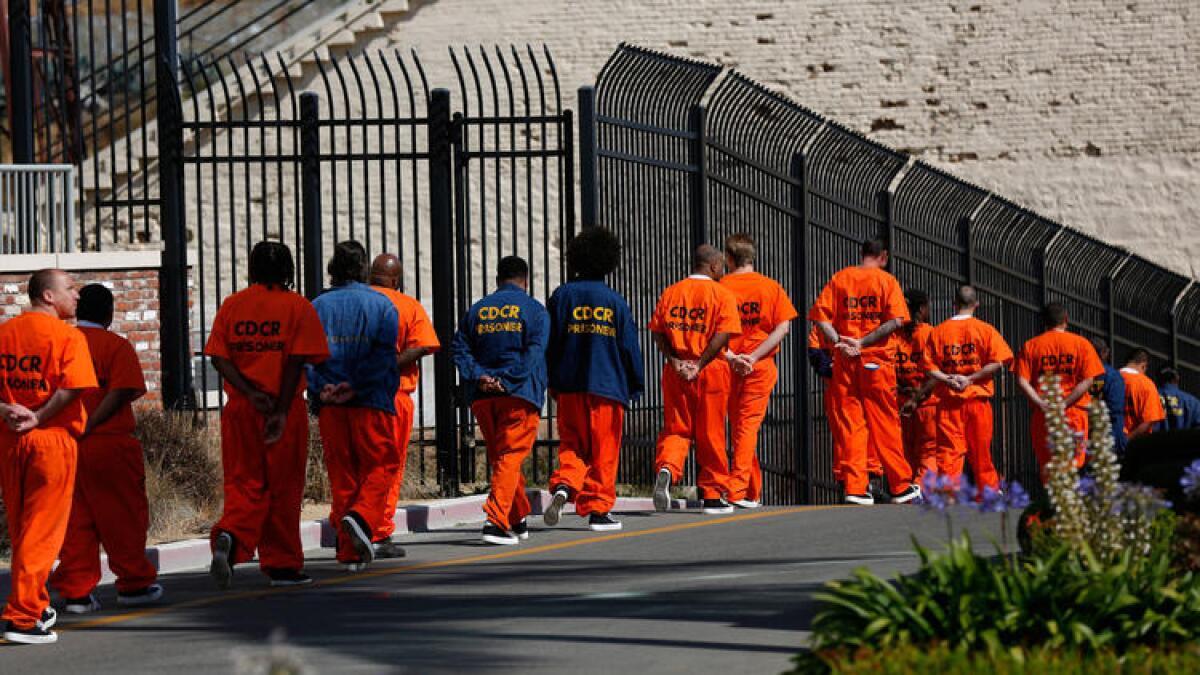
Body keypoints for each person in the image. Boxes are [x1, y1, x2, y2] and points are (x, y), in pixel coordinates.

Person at [205, 242, 330, 588]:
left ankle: (231, 533)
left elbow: (218, 357)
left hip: (242, 409)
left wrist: (249, 392)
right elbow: (296, 359)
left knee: (243, 482)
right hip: (283, 407)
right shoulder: (297, 306)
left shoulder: (234, 305)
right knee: (284, 487)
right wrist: (277, 405)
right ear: (289, 268)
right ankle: (282, 564)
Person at [50, 284, 161, 613]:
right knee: (123, 516)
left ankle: (77, 592)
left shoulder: (60, 343)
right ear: (109, 313)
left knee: (75, 521)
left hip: (65, 443)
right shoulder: (115, 346)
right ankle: (134, 584)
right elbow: (122, 390)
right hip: (108, 442)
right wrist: (92, 423)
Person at [0, 269, 96, 645]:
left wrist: (5, 408)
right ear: (48, 296)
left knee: (23, 528)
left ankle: (35, 604)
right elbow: (73, 387)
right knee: (42, 531)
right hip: (51, 440)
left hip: (10, 439)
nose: (77, 295)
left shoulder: (5, 333)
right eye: (70, 288)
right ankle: (22, 616)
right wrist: (38, 415)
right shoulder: (68, 336)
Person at [543, 228, 644, 531]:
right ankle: (599, 509)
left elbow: (551, 341)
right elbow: (628, 346)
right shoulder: (615, 301)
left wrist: (551, 378)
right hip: (608, 385)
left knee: (572, 444)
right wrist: (635, 383)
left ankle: (565, 484)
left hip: (570, 386)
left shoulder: (562, 296)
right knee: (604, 450)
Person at [308, 241, 401, 569]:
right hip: (370, 402)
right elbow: (383, 357)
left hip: (332, 404)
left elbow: (307, 358)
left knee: (343, 475)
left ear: (333, 268)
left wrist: (322, 391)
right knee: (381, 467)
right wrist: (356, 386)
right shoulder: (382, 305)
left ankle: (349, 551)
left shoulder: (317, 307)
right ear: (363, 268)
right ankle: (361, 519)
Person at [808, 238, 919, 505]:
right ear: (883, 256)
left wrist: (840, 342)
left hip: (845, 361)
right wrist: (862, 343)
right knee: (885, 423)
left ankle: (856, 487)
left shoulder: (841, 278)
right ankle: (900, 486)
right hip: (875, 361)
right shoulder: (886, 281)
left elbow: (820, 317)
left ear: (862, 253)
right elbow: (895, 321)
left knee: (851, 424)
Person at [452, 256, 549, 545]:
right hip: (518, 394)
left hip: (483, 398)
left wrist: (480, 376)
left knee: (502, 459)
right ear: (526, 280)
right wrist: (507, 380)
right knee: (509, 457)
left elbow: (460, 348)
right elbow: (534, 353)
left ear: (497, 279)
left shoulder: (477, 310)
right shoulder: (535, 311)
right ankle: (495, 522)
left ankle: (516, 516)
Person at [649, 245, 742, 514]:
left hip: (676, 370)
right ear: (712, 266)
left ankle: (667, 466)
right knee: (711, 431)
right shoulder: (721, 294)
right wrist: (699, 365)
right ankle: (713, 495)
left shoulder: (672, 292)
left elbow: (658, 331)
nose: (723, 270)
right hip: (710, 369)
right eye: (722, 266)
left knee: (677, 429)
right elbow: (723, 334)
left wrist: (675, 360)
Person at [368, 253, 439, 556]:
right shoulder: (407, 305)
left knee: (353, 467)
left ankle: (351, 522)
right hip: (393, 396)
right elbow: (425, 344)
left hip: (350, 395)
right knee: (388, 467)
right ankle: (379, 531)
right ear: (396, 280)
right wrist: (390, 363)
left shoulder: (356, 300)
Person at [719, 233, 797, 508]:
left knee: (739, 428)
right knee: (746, 427)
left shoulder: (721, 287)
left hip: (727, 364)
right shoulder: (770, 287)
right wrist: (752, 357)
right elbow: (783, 328)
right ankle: (748, 490)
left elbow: (711, 332)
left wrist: (732, 357)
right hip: (759, 365)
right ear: (752, 256)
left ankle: (740, 489)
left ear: (728, 258)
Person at [924, 286, 1012, 491]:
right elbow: (998, 361)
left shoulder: (938, 331)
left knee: (949, 452)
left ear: (954, 304)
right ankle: (988, 491)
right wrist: (970, 379)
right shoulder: (986, 330)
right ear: (976, 304)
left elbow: (928, 367)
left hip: (948, 402)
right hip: (977, 400)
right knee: (981, 451)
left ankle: (949, 491)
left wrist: (947, 379)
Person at [1013, 303, 1104, 477]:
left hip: (1044, 414)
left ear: (1044, 322)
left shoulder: (1031, 345)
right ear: (1066, 320)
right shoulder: (1081, 344)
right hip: (1074, 413)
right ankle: (1069, 502)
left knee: (1048, 466)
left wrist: (1040, 402)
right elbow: (1088, 380)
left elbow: (1021, 380)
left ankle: (1051, 502)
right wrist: (1065, 403)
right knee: (1073, 465)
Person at [896, 289, 937, 483]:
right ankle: (922, 487)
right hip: (927, 403)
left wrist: (905, 393)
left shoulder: (896, 335)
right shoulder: (930, 334)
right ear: (921, 309)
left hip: (902, 402)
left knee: (907, 450)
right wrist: (916, 398)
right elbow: (935, 374)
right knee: (928, 450)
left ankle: (909, 488)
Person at [1089, 337, 1128, 453]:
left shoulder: (1081, 374)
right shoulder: (1112, 376)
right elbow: (1115, 409)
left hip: (1085, 432)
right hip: (1109, 433)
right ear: (1104, 353)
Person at [1119, 349, 1165, 441]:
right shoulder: (1146, 384)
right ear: (1144, 365)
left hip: (1105, 442)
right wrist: (1126, 441)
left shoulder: (1110, 377)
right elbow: (1148, 421)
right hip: (1133, 445)